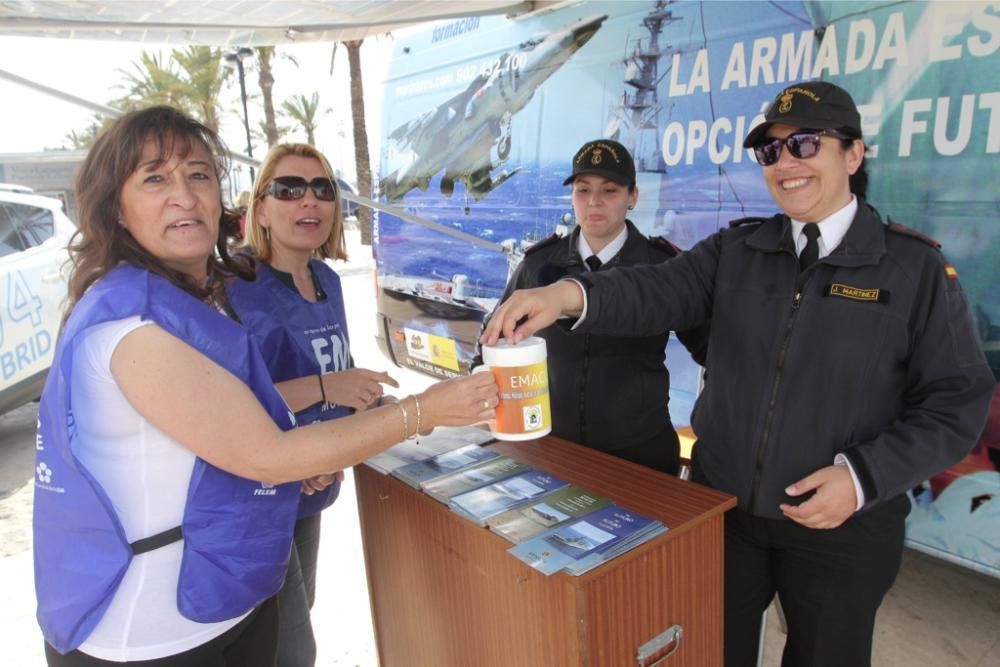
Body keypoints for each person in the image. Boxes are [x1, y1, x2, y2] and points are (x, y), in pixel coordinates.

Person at [480, 81, 995, 666]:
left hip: (842, 528)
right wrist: (566, 294)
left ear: (853, 155)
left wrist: (862, 478)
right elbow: (654, 287)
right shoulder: (737, 251)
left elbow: (955, 401)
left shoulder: (911, 269)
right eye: (771, 151)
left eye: (805, 143)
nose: (786, 163)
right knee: (711, 651)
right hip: (725, 514)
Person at [33, 105, 498, 667]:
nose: (184, 194)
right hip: (148, 631)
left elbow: (226, 428)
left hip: (220, 593)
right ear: (118, 210)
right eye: (155, 177)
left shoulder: (185, 302)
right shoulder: (135, 326)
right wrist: (427, 409)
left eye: (199, 174)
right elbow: (265, 454)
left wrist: (302, 459)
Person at [226, 143, 397, 667]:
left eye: (324, 189)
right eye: (289, 188)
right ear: (260, 209)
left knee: (294, 625)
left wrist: (363, 408)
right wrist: (328, 387)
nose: (310, 201)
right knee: (290, 648)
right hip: (258, 498)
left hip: (313, 487)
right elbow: (225, 406)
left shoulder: (325, 280)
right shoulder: (234, 288)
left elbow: (339, 377)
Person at [475, 139, 707, 474]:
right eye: (583, 190)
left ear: (633, 197)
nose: (594, 201)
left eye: (610, 190)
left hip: (639, 454)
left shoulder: (661, 267)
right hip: (552, 446)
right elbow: (491, 338)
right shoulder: (539, 266)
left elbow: (712, 350)